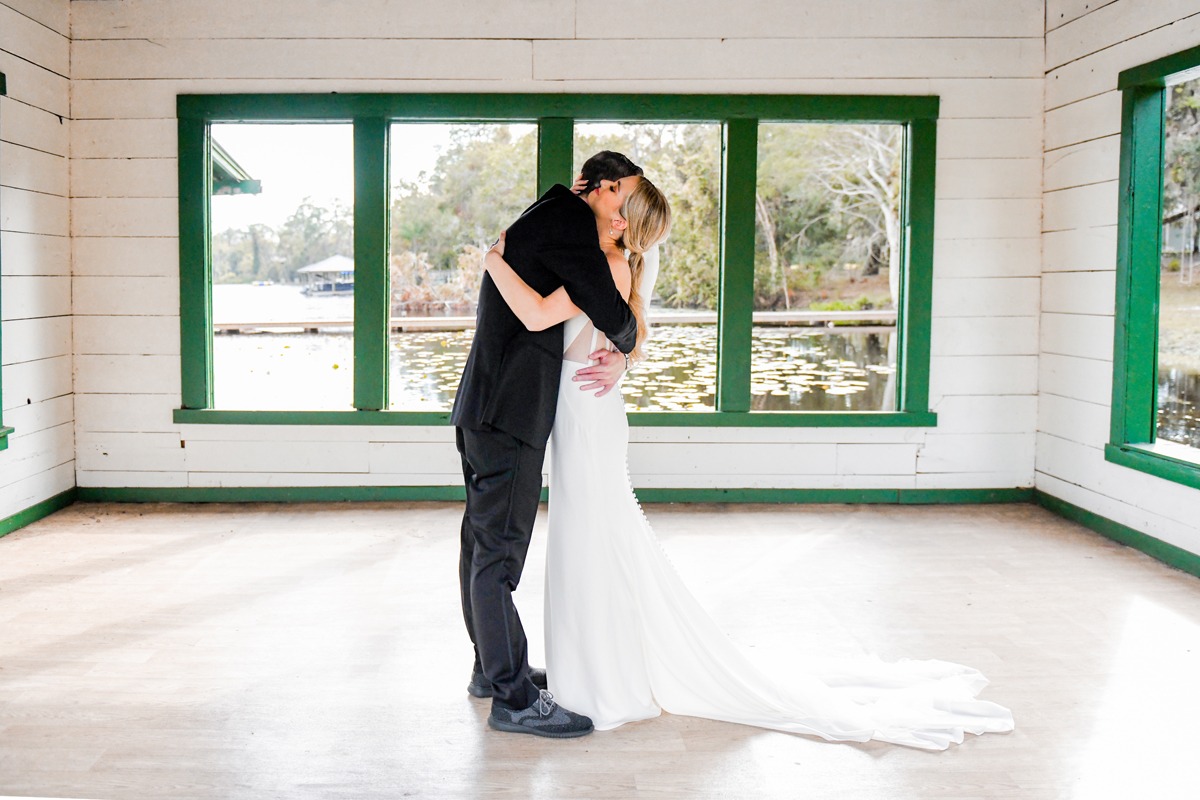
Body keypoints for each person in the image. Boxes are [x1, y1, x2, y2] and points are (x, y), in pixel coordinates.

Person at [481, 178, 1016, 750]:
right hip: (584, 405)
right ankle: (588, 668)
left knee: (592, 538)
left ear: (626, 224)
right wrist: (626, 355)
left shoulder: (605, 265)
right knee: (592, 537)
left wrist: (493, 259)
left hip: (586, 412)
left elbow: (540, 316)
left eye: (620, 210)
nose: (610, 216)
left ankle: (603, 679)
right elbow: (620, 329)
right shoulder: (608, 265)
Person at [452, 151, 645, 739]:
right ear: (604, 187)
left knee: (481, 547)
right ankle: (512, 698)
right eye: (623, 199)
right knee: (498, 560)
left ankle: (492, 669)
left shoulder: (552, 210)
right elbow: (616, 317)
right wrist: (628, 342)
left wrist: (492, 256)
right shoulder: (569, 226)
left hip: (485, 408)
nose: (624, 216)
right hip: (508, 414)